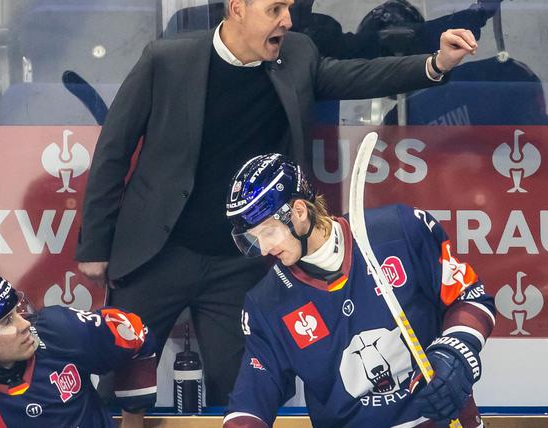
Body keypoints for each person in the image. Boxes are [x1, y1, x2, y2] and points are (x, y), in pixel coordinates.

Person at [77, 0, 479, 405]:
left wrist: (436, 63)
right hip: (158, 254)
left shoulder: (298, 54)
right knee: (119, 388)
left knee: (242, 392)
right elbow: (114, 150)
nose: (287, 20)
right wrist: (95, 244)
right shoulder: (166, 60)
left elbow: (358, 76)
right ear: (237, 9)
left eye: (288, 8)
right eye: (275, 9)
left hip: (239, 263)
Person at [221, 154, 496, 427]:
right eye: (254, 239)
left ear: (299, 212)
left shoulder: (400, 230)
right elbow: (251, 402)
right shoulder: (267, 303)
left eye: (268, 232)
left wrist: (454, 352)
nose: (265, 249)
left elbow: (469, 296)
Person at [0, 271, 156, 427]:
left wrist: (133, 416)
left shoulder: (61, 330)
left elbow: (136, 333)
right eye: (7, 322)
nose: (25, 325)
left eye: (17, 312)